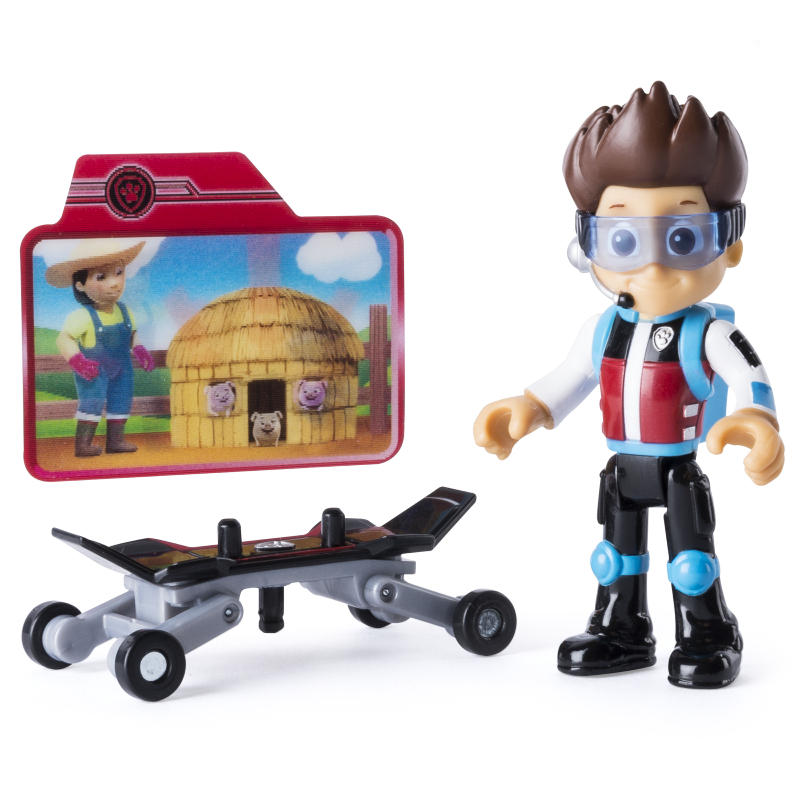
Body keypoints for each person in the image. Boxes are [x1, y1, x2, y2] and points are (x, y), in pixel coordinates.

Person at [474, 82, 783, 688]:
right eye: (623, 240)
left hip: (678, 468)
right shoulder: (604, 330)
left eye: (684, 238)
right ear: (586, 246)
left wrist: (755, 420)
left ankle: (708, 633)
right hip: (622, 467)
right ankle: (621, 628)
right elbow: (569, 378)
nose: (654, 265)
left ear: (730, 245)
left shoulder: (708, 332)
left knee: (691, 560)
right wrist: (528, 408)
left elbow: (750, 377)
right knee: (615, 556)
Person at [45, 239, 155, 457]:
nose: (115, 283)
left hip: (122, 368)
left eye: (118, 272)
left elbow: (132, 334)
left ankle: (115, 441)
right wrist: (78, 361)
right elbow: (64, 339)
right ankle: (83, 445)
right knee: (92, 402)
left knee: (121, 400)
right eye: (101, 277)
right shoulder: (82, 316)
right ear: (80, 285)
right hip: (93, 370)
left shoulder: (125, 311)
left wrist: (139, 349)